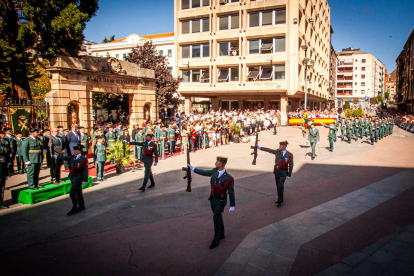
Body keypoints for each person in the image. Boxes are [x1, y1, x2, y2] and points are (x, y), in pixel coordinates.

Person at [187, 156, 235, 249]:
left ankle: (216, 238)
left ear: (221, 164)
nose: (215, 163)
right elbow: (205, 173)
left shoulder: (228, 178)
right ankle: (222, 233)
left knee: (215, 218)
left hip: (221, 201)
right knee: (218, 216)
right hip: (213, 198)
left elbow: (231, 191)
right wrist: (193, 169)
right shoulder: (214, 171)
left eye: (216, 162)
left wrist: (232, 205)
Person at [53, 145, 88, 216]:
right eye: (74, 150)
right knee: (78, 191)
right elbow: (65, 157)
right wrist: (57, 157)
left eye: (76, 150)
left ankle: (75, 207)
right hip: (72, 177)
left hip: (79, 177)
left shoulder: (83, 159)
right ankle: (81, 205)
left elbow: (85, 170)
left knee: (72, 192)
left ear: (79, 151)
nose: (74, 152)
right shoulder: (73, 157)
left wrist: (85, 179)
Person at [256, 141, 293, 207]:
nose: (279, 147)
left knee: (281, 185)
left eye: (280, 146)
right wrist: (260, 148)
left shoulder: (289, 155)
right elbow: (269, 150)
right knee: (278, 185)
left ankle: (279, 200)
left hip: (284, 172)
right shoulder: (277, 152)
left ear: (284, 147)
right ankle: (279, 198)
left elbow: (291, 165)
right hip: (277, 171)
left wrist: (289, 174)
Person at [0, 132, 10, 209]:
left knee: (2, 187)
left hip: (2, 170)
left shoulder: (3, 147)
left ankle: (1, 203)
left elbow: (5, 160)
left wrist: (6, 173)